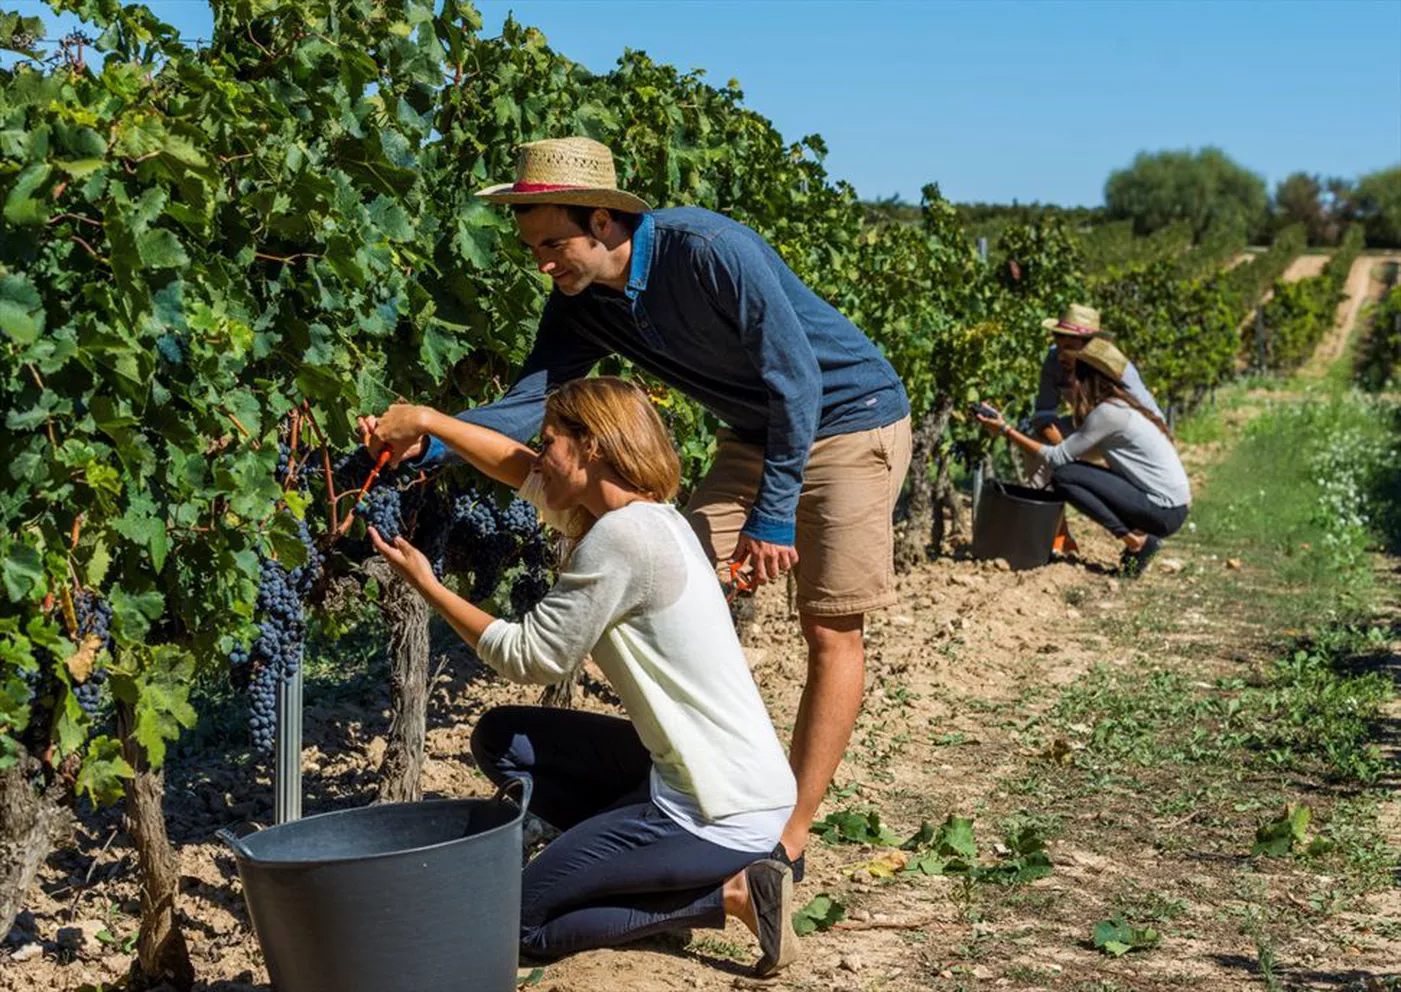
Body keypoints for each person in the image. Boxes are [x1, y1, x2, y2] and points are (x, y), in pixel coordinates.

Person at [363, 137, 912, 880]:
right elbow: (530, 402)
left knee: (827, 624)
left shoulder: (711, 250)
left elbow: (795, 378)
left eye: (554, 244)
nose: (543, 264)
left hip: (847, 416)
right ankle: (704, 797)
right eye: (533, 249)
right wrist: (426, 448)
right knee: (674, 575)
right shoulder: (579, 303)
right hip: (752, 432)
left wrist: (773, 513)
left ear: (605, 221)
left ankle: (786, 842)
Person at [365, 377, 800, 975]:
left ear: (591, 445)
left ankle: (728, 895)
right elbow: (518, 470)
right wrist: (430, 421)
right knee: (502, 737)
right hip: (720, 776)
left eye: (548, 442)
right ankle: (609, 859)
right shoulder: (653, 519)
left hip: (717, 810)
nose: (539, 457)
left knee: (511, 923)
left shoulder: (621, 540)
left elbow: (530, 658)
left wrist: (430, 587)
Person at [976, 338, 1191, 576]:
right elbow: (1082, 455)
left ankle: (1135, 541)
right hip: (1171, 507)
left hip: (1164, 511)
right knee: (1072, 473)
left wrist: (1005, 429)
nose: (1067, 380)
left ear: (1085, 377)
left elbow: (1058, 458)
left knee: (1064, 476)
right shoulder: (1119, 407)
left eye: (1072, 373)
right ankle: (1136, 540)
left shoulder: (1108, 414)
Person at [1025, 304, 1165, 556]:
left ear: (1089, 344)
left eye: (1070, 343)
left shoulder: (1116, 367)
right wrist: (1063, 449)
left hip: (1127, 431)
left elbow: (1146, 416)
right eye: (1058, 338)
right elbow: (1044, 413)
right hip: (1086, 427)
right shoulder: (1053, 359)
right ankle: (1052, 536)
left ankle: (1140, 539)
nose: (1060, 349)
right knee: (1037, 446)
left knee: (1124, 485)